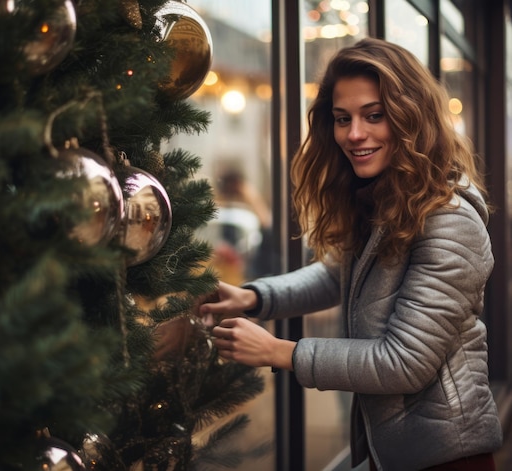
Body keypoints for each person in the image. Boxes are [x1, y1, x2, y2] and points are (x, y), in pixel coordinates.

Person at [198, 37, 502, 471]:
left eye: (374, 116)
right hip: (392, 452)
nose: (354, 134)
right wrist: (252, 297)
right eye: (343, 119)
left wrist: (278, 351)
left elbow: (403, 363)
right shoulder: (388, 198)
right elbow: (333, 275)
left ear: (411, 117)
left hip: (446, 456)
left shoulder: (449, 221)